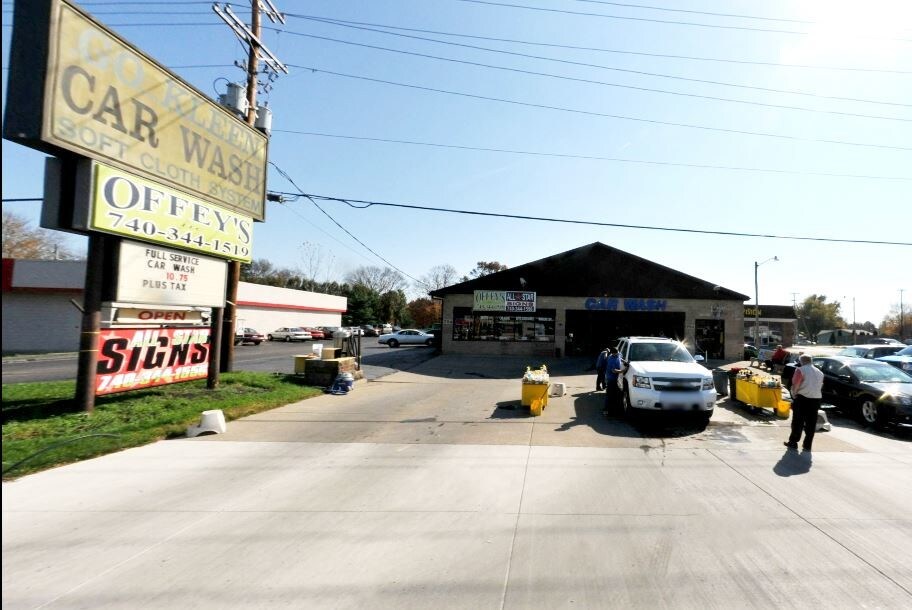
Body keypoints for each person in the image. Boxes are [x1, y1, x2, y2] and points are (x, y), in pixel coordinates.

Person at [785, 354, 824, 451]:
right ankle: (807, 445)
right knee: (811, 423)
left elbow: (796, 384)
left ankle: (793, 442)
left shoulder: (800, 370)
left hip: (803, 398)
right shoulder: (820, 372)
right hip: (816, 399)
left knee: (798, 421)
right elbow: (821, 385)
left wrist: (794, 395)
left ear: (801, 361)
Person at [603, 347, 624, 415]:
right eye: (617, 353)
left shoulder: (617, 355)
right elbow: (614, 371)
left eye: (618, 352)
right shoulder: (611, 360)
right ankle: (606, 410)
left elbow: (621, 357)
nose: (618, 353)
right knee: (609, 394)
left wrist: (624, 361)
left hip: (615, 379)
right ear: (613, 353)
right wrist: (624, 370)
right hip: (611, 379)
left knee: (615, 394)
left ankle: (614, 409)